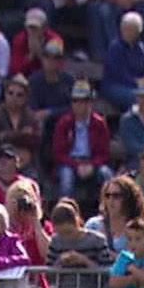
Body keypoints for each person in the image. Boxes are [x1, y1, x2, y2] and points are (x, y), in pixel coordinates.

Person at [53, 80, 111, 208]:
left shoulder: (99, 124)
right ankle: (65, 212)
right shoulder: (64, 123)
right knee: (66, 178)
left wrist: (92, 164)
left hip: (92, 162)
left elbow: (104, 153)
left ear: (91, 102)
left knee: (106, 174)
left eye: (84, 101)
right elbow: (59, 153)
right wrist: (76, 165)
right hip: (70, 163)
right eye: (76, 101)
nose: (80, 105)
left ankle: (108, 210)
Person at [98, 11, 144, 113]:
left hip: (135, 87)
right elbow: (118, 74)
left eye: (132, 30)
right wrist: (137, 83)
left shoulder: (140, 48)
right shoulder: (115, 47)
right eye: (126, 29)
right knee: (136, 99)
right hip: (114, 86)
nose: (128, 32)